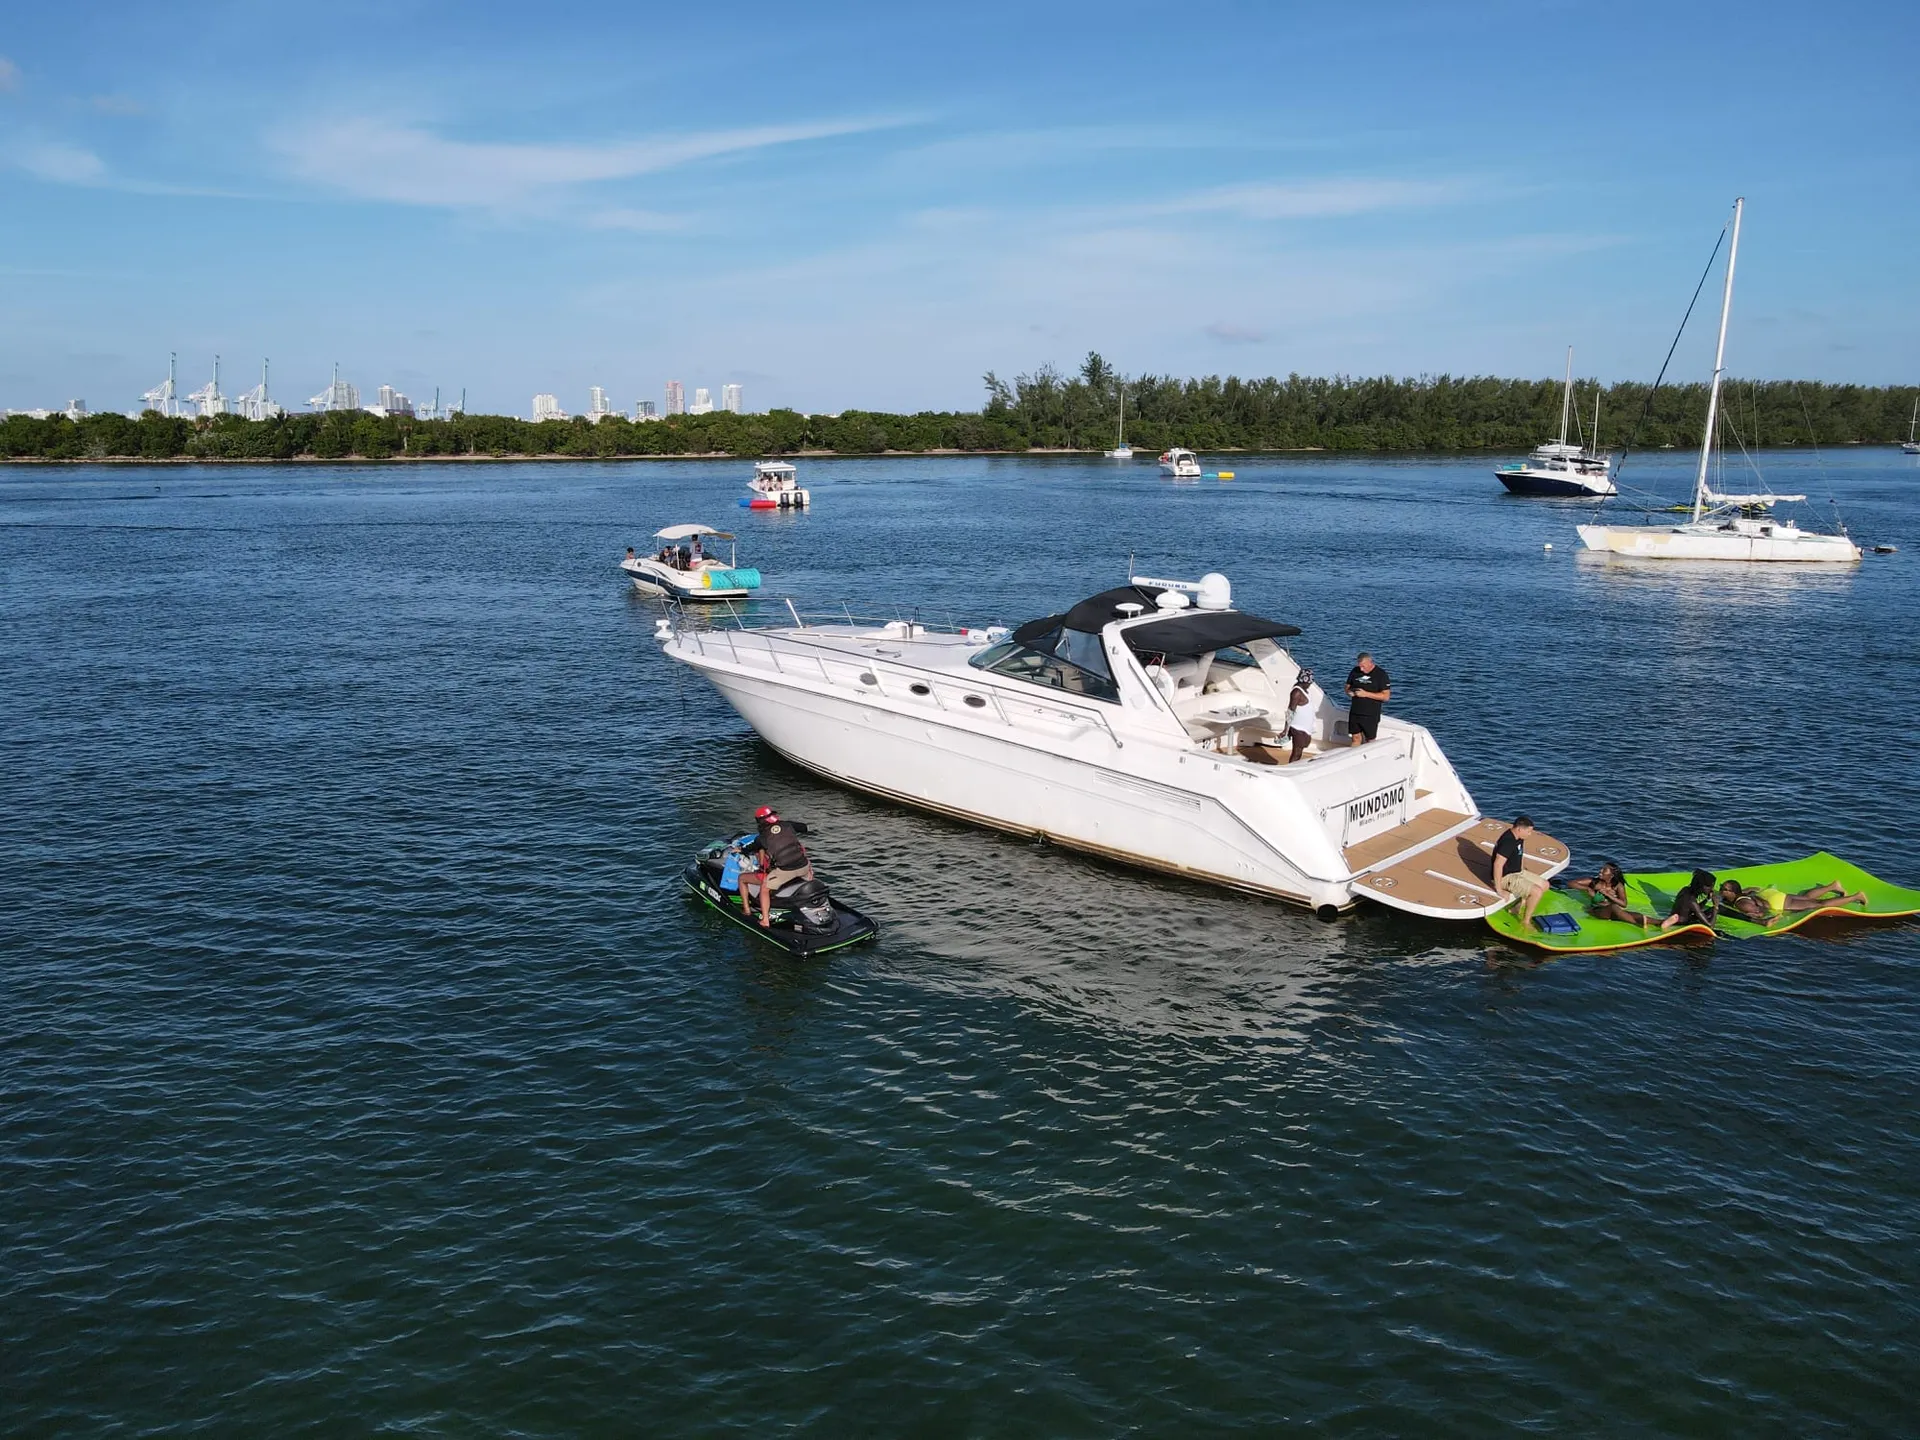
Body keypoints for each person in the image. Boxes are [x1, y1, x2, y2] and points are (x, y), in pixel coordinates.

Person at [739, 805, 813, 928]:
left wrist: (740, 850)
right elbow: (804, 827)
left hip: (786, 871)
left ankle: (763, 919)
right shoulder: (787, 825)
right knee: (807, 865)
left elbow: (748, 849)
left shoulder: (762, 838)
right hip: (803, 867)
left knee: (764, 888)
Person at [1717, 878, 1868, 926]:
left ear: (1732, 892)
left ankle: (1856, 896)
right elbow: (1753, 888)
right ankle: (1833, 886)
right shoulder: (1742, 893)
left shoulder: (1741, 904)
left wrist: (1757, 916)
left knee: (1819, 905)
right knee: (1807, 898)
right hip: (1773, 895)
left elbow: (1760, 911)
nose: (1721, 890)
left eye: (1723, 889)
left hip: (1779, 903)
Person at [1490, 814, 1549, 927]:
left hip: (1516, 872)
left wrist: (1522, 871)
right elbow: (1498, 864)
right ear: (1519, 829)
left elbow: (1519, 855)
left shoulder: (1519, 838)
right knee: (1536, 892)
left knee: (1545, 885)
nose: (1530, 834)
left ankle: (1516, 907)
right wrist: (1499, 889)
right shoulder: (1508, 841)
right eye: (1528, 831)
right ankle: (1526, 921)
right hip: (1505, 876)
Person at [1569, 861, 1658, 928]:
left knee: (1634, 914)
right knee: (1613, 907)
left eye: (1604, 870)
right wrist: (1588, 889)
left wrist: (1608, 895)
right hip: (1597, 911)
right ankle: (1637, 924)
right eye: (1601, 869)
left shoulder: (1618, 886)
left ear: (1611, 875)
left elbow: (1624, 904)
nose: (1600, 871)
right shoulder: (1594, 882)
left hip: (1614, 911)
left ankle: (1660, 922)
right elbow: (1571, 883)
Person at [1344, 652, 1391, 746]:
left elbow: (1386, 697)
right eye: (1360, 666)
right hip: (1355, 711)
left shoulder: (1381, 674)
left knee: (1370, 740)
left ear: (1370, 662)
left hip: (1370, 714)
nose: (1361, 669)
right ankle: (1355, 753)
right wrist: (1349, 692)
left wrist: (1366, 694)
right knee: (1355, 737)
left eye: (1363, 666)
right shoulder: (1355, 671)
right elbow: (1347, 686)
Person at [1283, 667, 1319, 763]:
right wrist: (1286, 729)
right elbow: (1290, 711)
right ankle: (1290, 769)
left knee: (1299, 752)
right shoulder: (1297, 692)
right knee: (1296, 753)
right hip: (1298, 728)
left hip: (1304, 728)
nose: (1310, 684)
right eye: (1309, 682)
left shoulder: (1304, 690)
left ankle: (1292, 767)